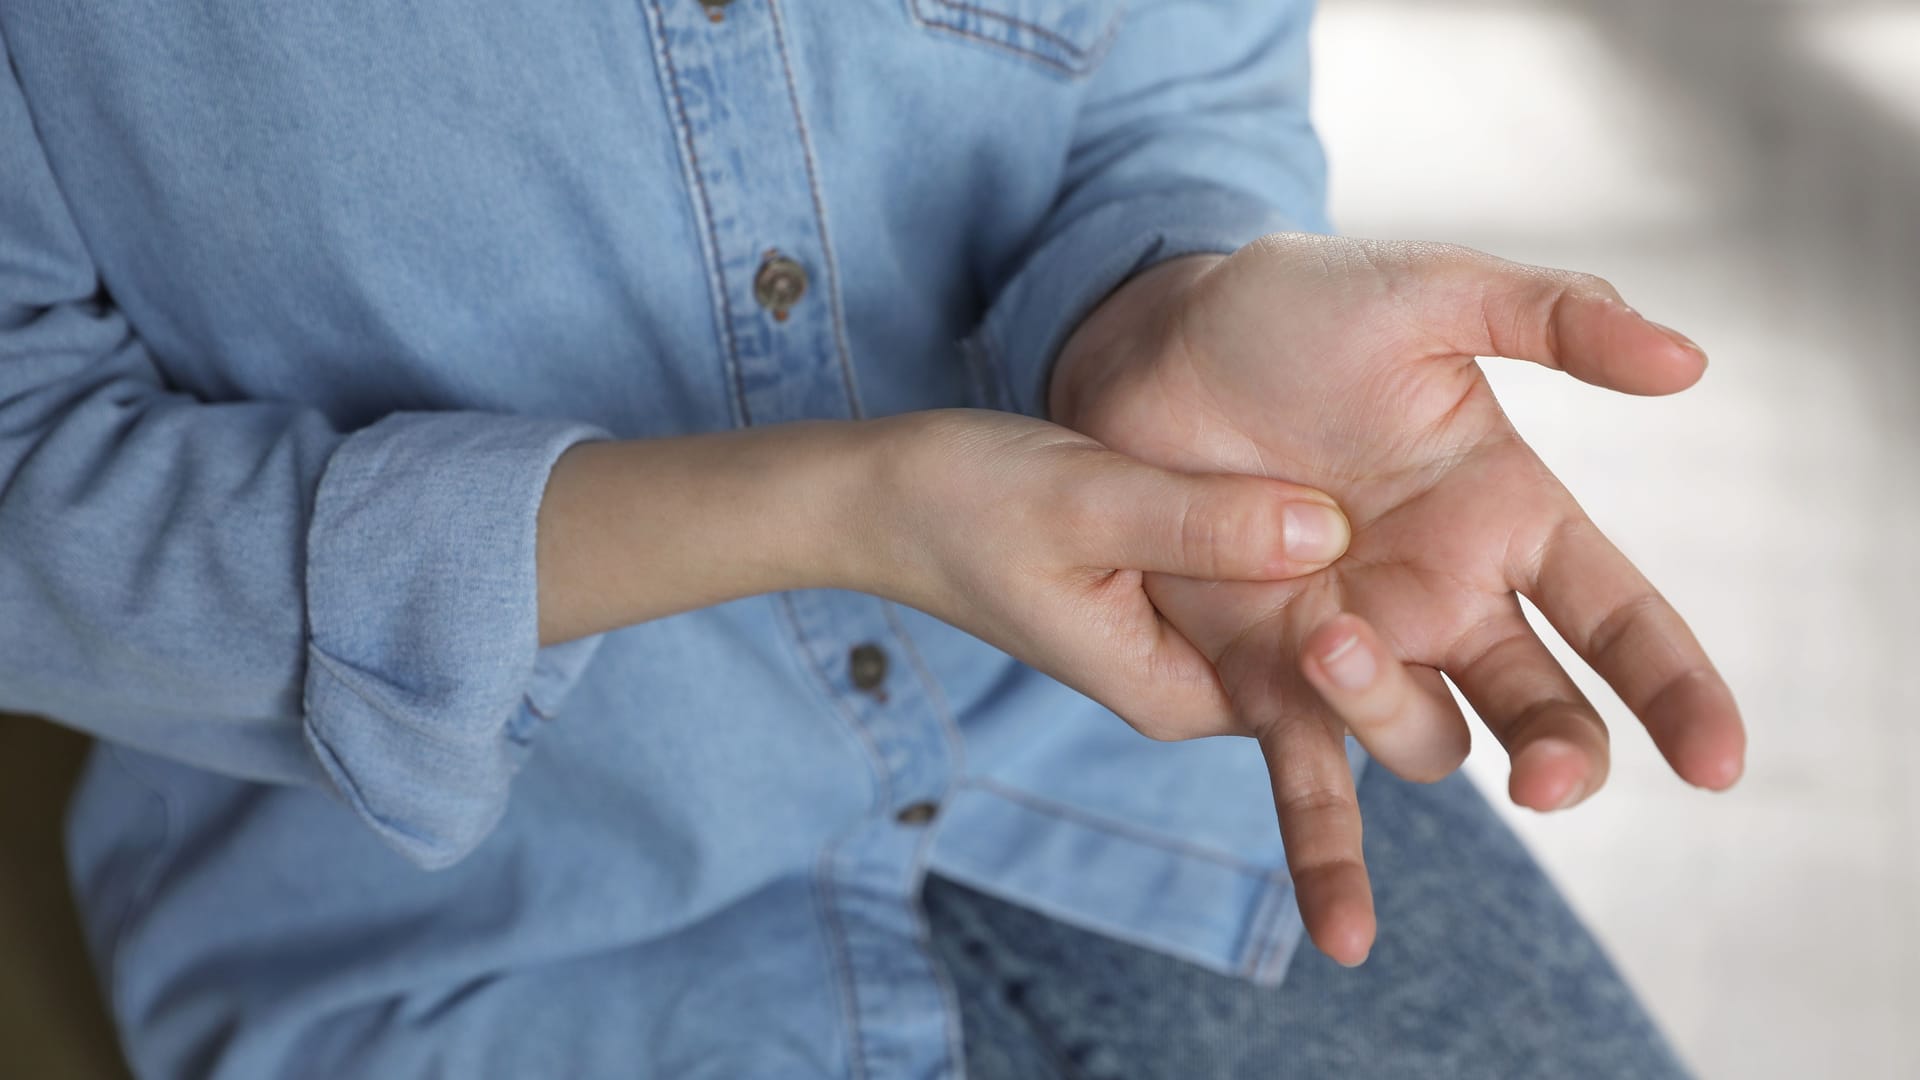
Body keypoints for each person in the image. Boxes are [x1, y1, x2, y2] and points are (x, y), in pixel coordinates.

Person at [0, 0, 1743, 1076]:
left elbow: (1171, 87)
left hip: (1170, 748)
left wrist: (1157, 304)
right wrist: (839, 508)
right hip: (489, 935)